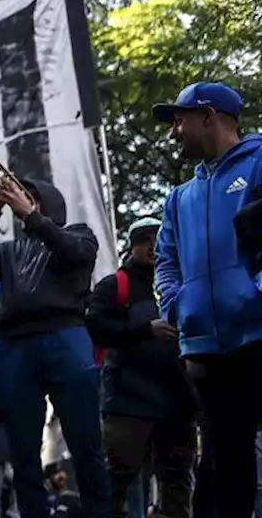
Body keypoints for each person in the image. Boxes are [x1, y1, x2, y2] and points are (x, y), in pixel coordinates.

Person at [151, 81, 262, 518]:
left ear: (209, 117)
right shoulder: (179, 198)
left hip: (258, 334)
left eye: (179, 121)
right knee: (222, 471)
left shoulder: (258, 162)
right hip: (209, 351)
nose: (173, 132)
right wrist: (178, 307)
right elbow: (165, 261)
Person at [0, 171, 107, 518]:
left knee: (85, 441)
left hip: (64, 336)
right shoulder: (11, 250)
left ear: (48, 203)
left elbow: (75, 254)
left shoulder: (79, 234)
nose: (22, 200)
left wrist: (31, 216)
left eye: (30, 195)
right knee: (22, 449)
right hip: (14, 345)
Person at [86, 217, 195, 518]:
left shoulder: (181, 283)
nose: (153, 246)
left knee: (177, 482)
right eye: (145, 239)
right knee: (117, 480)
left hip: (178, 403)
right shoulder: (115, 285)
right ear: (132, 245)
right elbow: (95, 327)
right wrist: (146, 330)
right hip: (128, 402)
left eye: (159, 239)